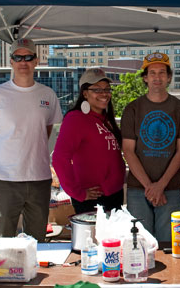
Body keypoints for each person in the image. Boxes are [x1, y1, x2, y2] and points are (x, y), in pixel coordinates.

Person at [0, 38, 62, 288]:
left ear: (36, 61)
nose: (23, 61)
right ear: (11, 61)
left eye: (29, 56)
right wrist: (2, 162)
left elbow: (45, 130)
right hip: (5, 179)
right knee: (3, 241)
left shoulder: (47, 95)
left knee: (37, 242)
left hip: (38, 177)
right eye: (18, 57)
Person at [121, 52, 180, 242]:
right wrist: (150, 187)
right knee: (140, 245)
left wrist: (160, 186)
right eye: (152, 73)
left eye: (162, 72)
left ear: (169, 77)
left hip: (170, 188)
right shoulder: (132, 109)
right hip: (138, 189)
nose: (157, 77)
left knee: (169, 245)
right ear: (145, 78)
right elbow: (128, 151)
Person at [52, 68, 125, 214]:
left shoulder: (106, 119)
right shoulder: (76, 118)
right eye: (96, 89)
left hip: (114, 195)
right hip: (92, 199)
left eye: (106, 89)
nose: (104, 94)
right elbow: (59, 158)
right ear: (85, 93)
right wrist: (77, 192)